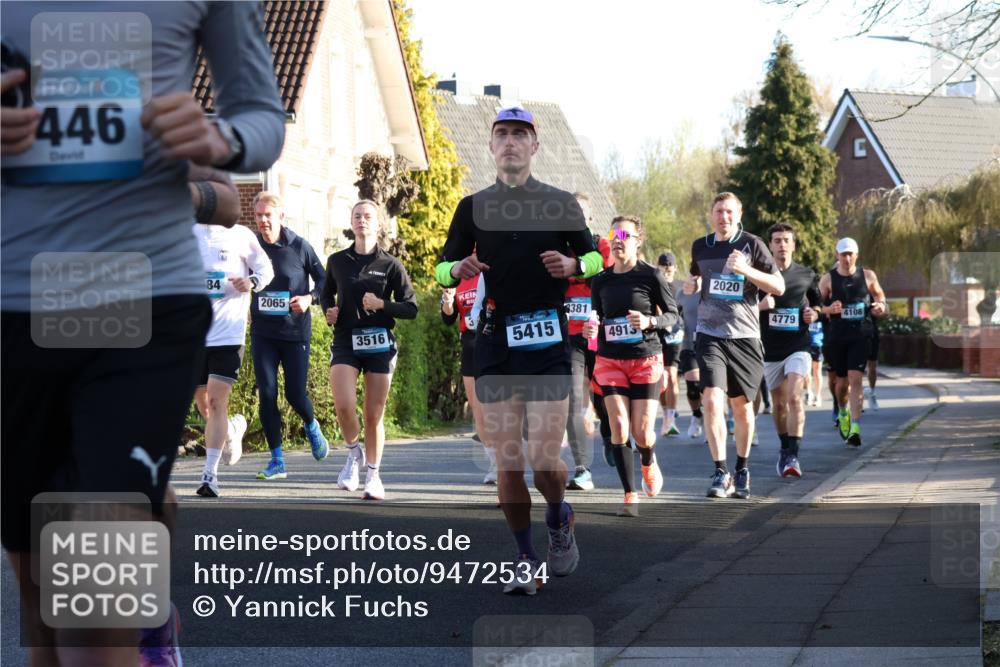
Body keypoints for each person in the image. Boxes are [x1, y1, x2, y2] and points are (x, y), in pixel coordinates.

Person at [1, 3, 285, 665]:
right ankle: (146, 614)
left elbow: (262, 116)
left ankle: (139, 616)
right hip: (15, 303)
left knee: (92, 606)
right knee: (41, 602)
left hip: (145, 298)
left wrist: (220, 140)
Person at [435, 107, 602, 594]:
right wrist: (457, 269)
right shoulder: (471, 207)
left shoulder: (560, 203)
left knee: (546, 459)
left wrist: (574, 263)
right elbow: (442, 268)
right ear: (490, 146)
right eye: (502, 134)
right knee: (509, 459)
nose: (510, 142)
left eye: (520, 135)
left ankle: (558, 516)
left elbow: (595, 257)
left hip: (548, 340)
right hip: (494, 340)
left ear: (534, 146)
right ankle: (526, 559)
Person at [684, 193, 784, 499]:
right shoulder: (701, 245)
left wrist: (746, 270)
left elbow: (778, 286)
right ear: (711, 215)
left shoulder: (753, 245)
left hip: (745, 338)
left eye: (729, 212)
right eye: (718, 211)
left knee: (742, 408)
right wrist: (693, 285)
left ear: (738, 215)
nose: (723, 217)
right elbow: (697, 277)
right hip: (709, 334)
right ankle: (720, 470)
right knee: (712, 398)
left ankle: (741, 468)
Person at [584, 217, 679, 516]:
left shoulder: (651, 276)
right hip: (610, 360)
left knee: (642, 433)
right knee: (619, 426)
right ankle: (630, 494)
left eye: (625, 233)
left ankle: (648, 459)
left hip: (645, 359)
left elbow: (673, 316)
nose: (617, 238)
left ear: (639, 240)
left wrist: (651, 320)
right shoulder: (600, 280)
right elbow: (595, 316)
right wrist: (590, 327)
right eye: (613, 233)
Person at [324, 200, 418, 500]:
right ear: (351, 223)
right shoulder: (337, 261)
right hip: (346, 341)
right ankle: (354, 454)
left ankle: (374, 476)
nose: (362, 221)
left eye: (368, 216)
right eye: (357, 216)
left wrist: (382, 305)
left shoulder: (391, 264)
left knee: (373, 414)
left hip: (379, 342)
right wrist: (328, 310)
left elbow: (411, 307)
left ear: (378, 224)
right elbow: (325, 293)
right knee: (343, 404)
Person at [251, 192, 330, 480]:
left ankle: (311, 425)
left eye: (267, 215)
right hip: (263, 334)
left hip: (295, 333)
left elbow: (323, 279)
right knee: (268, 394)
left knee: (295, 394)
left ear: (280, 217)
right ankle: (277, 461)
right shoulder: (252, 247)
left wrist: (311, 298)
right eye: (258, 215)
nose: (262, 221)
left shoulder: (299, 246)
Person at [192, 217, 273, 497]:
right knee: (204, 405)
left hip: (228, 332)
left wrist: (252, 281)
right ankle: (231, 430)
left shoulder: (240, 235)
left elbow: (265, 268)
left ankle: (209, 476)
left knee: (216, 400)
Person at [757, 223, 821, 478]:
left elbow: (818, 305)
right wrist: (761, 305)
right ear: (770, 245)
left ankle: (793, 454)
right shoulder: (760, 276)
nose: (782, 244)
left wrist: (813, 314)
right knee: (779, 405)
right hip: (770, 349)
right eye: (777, 240)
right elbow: (742, 305)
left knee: (795, 397)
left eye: (786, 240)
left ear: (793, 245)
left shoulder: (806, 274)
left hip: (798, 346)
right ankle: (785, 448)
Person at [818, 237, 887, 446]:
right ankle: (842, 411)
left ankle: (855, 427)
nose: (847, 258)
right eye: (843, 254)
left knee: (856, 380)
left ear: (856, 255)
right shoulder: (827, 279)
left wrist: (881, 306)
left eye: (850, 254)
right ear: (837, 255)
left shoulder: (868, 276)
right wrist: (829, 309)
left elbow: (881, 298)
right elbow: (817, 308)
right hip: (836, 337)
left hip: (860, 335)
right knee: (841, 384)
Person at [562, 193, 602, 491]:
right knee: (573, 403)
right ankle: (582, 468)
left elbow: (624, 234)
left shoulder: (604, 242)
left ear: (590, 218)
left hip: (604, 338)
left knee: (608, 405)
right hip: (571, 337)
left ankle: (616, 441)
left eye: (581, 213)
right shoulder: (555, 247)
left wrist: (623, 233)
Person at [440, 273, 496, 483]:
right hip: (470, 345)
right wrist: (447, 301)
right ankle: (494, 461)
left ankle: (507, 455)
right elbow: (447, 317)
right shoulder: (457, 275)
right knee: (478, 409)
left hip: (493, 342)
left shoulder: (492, 268)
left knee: (495, 405)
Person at [656, 252, 684, 437]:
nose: (667, 268)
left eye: (669, 265)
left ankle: (671, 418)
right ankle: (666, 413)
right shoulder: (654, 284)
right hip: (657, 334)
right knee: (660, 378)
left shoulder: (680, 287)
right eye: (663, 265)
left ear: (674, 267)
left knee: (671, 375)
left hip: (675, 335)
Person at [675, 267, 705, 439]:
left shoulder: (711, 292)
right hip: (689, 344)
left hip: (709, 344)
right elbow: (674, 313)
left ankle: (711, 421)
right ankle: (696, 414)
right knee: (693, 387)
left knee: (708, 389)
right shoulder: (682, 293)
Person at [805, 318, 824, 407]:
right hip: (806, 345)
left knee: (817, 371)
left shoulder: (820, 313)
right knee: (807, 371)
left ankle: (818, 395)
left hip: (818, 345)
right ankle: (809, 393)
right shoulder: (805, 310)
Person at [865, 324, 881, 410]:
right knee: (854, 371)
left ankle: (872, 392)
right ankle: (857, 398)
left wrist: (879, 311)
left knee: (872, 367)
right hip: (853, 333)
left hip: (871, 334)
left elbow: (885, 312)